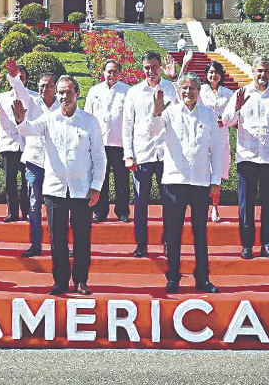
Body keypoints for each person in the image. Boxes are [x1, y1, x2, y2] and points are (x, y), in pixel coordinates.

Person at [13, 75, 106, 296]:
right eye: (61, 92)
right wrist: (20, 121)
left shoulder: (90, 122)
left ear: (77, 94)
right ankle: (60, 281)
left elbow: (100, 158)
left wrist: (97, 186)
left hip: (82, 189)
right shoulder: (49, 119)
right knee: (57, 239)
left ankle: (81, 280)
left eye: (68, 92)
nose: (64, 96)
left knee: (82, 238)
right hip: (55, 189)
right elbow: (28, 130)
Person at [147, 74, 226, 294]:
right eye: (184, 88)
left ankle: (202, 278)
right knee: (173, 232)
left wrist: (215, 179)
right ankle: (173, 277)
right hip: (174, 180)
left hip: (200, 181)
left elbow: (216, 149)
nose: (188, 92)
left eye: (192, 88)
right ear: (178, 90)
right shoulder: (169, 112)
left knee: (200, 232)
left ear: (199, 91)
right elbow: (152, 131)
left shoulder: (209, 115)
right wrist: (156, 110)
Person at [222, 56, 269, 260]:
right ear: (253, 72)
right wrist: (236, 106)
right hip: (247, 158)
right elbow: (227, 122)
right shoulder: (241, 93)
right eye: (259, 71)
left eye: (266, 71)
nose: (262, 75)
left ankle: (267, 245)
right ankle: (247, 245)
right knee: (246, 205)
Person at [121, 51, 177, 257]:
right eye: (146, 67)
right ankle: (141, 243)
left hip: (166, 154)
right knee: (140, 201)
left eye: (154, 67)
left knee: (169, 202)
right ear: (142, 68)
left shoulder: (171, 89)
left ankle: (169, 242)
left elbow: (181, 117)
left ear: (160, 66)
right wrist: (128, 153)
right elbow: (127, 125)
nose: (150, 71)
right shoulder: (134, 92)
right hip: (142, 153)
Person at [4, 65, 59, 258]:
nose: (45, 89)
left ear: (55, 87)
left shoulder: (62, 105)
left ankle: (58, 245)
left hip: (56, 164)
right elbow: (20, 90)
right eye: (42, 86)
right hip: (34, 161)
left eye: (49, 86)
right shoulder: (32, 101)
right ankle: (36, 244)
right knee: (35, 205)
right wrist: (13, 77)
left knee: (59, 207)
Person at [83, 59, 131, 223]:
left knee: (122, 179)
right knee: (100, 179)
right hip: (99, 143)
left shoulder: (127, 91)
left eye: (115, 71)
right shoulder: (94, 91)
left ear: (120, 73)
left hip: (120, 144)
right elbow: (87, 116)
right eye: (108, 71)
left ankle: (122, 211)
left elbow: (131, 119)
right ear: (103, 72)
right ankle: (100, 211)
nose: (111, 74)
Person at [0, 66, 30, 223]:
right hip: (8, 145)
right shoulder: (3, 97)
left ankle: (27, 211)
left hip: (28, 146)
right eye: (16, 77)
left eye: (22, 77)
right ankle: (13, 212)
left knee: (27, 181)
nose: (19, 80)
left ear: (26, 80)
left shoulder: (33, 97)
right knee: (9, 182)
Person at [200, 61, 235, 223]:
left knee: (217, 173)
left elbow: (234, 116)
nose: (213, 75)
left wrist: (225, 121)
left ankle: (215, 207)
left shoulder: (229, 94)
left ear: (221, 75)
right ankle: (201, 207)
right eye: (210, 72)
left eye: (216, 72)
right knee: (202, 172)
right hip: (203, 135)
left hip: (221, 136)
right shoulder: (200, 90)